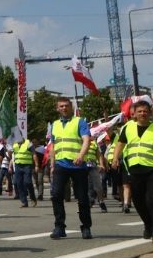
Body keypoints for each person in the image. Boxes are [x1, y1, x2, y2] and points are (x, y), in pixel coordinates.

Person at [109, 97, 153, 243]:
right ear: (134, 114)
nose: (142, 114)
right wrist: (115, 158)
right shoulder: (128, 127)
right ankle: (148, 224)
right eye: (139, 111)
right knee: (138, 201)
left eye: (145, 111)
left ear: (150, 113)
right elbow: (120, 144)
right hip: (135, 170)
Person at [47, 97, 94, 240]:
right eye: (61, 106)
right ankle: (59, 227)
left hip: (78, 165)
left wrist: (81, 155)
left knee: (82, 198)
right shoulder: (54, 124)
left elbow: (86, 140)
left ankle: (86, 227)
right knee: (56, 195)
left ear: (71, 107)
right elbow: (53, 145)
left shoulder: (79, 122)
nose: (64, 108)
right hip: (61, 165)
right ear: (57, 108)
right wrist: (52, 164)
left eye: (66, 106)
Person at [11, 135, 37, 207]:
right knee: (18, 183)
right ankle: (24, 202)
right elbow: (12, 155)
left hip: (27, 166)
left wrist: (37, 165)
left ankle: (32, 198)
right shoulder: (14, 144)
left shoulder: (28, 143)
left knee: (27, 182)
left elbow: (34, 154)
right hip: (18, 166)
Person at [86, 133, 109, 213]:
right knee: (84, 187)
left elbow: (99, 155)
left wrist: (101, 165)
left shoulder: (94, 142)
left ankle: (101, 202)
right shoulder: (80, 141)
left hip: (93, 166)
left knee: (98, 186)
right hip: (82, 166)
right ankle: (86, 203)